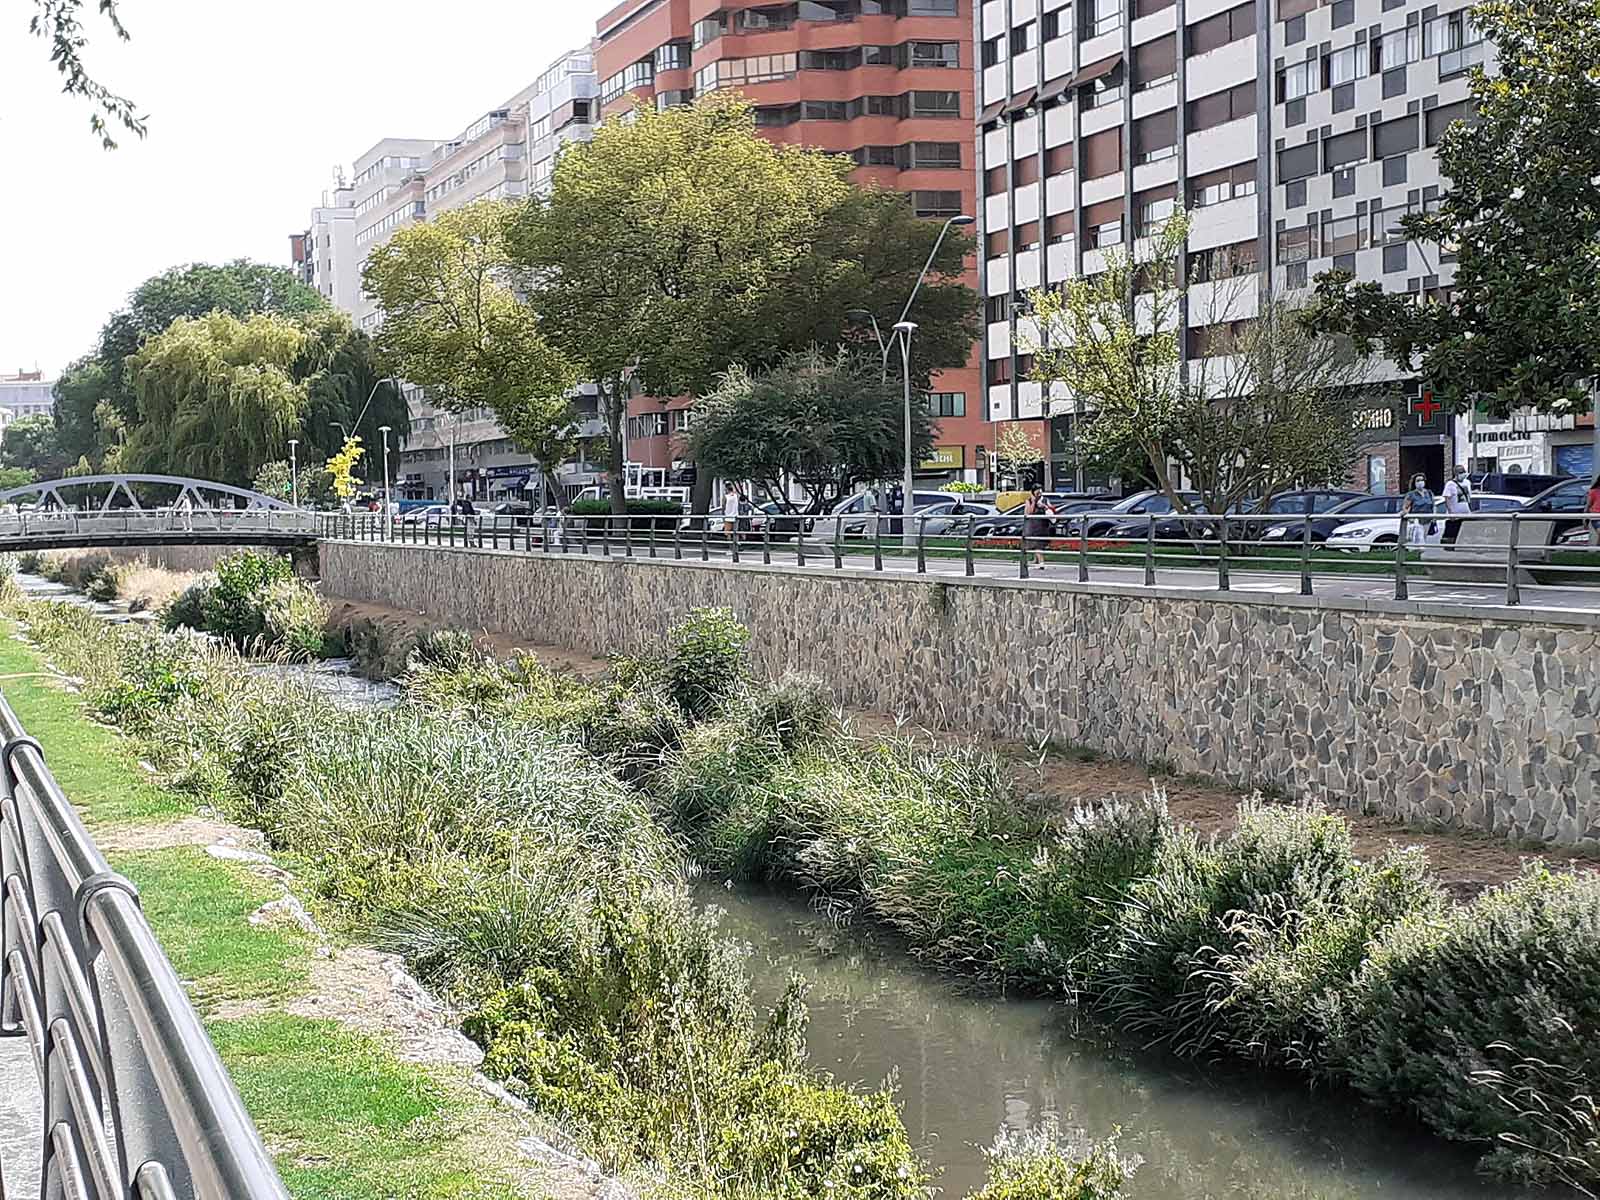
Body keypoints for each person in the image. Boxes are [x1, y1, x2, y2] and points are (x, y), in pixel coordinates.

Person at [1023, 485, 1054, 570]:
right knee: (1034, 544)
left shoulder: (1045, 500)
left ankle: (1041, 562)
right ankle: (1036, 560)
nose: (1039, 493)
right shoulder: (1029, 501)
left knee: (1038, 545)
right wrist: (1033, 502)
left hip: (1042, 525)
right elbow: (1028, 513)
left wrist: (1044, 506)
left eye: (1040, 491)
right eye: (1037, 491)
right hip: (1033, 525)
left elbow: (1052, 509)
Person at [1401, 473, 1435, 546]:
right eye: (1418, 480)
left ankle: (1421, 551)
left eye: (1422, 480)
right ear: (1414, 482)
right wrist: (1409, 517)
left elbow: (1433, 505)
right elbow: (1405, 507)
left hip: (1427, 520)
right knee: (1417, 539)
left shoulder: (1429, 493)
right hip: (1416, 521)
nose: (1420, 482)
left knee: (1423, 539)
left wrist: (1434, 516)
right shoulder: (1411, 494)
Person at [1441, 465, 1472, 545]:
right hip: (1454, 516)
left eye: (1463, 471)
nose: (1463, 474)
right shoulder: (1450, 484)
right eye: (1460, 472)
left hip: (1466, 514)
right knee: (1452, 537)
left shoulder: (1467, 483)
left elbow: (1469, 497)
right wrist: (1451, 513)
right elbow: (1447, 498)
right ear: (1456, 474)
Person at [1587, 472, 1600, 547]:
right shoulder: (1593, 491)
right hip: (1596, 517)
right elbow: (1588, 505)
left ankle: (1596, 549)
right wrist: (1585, 519)